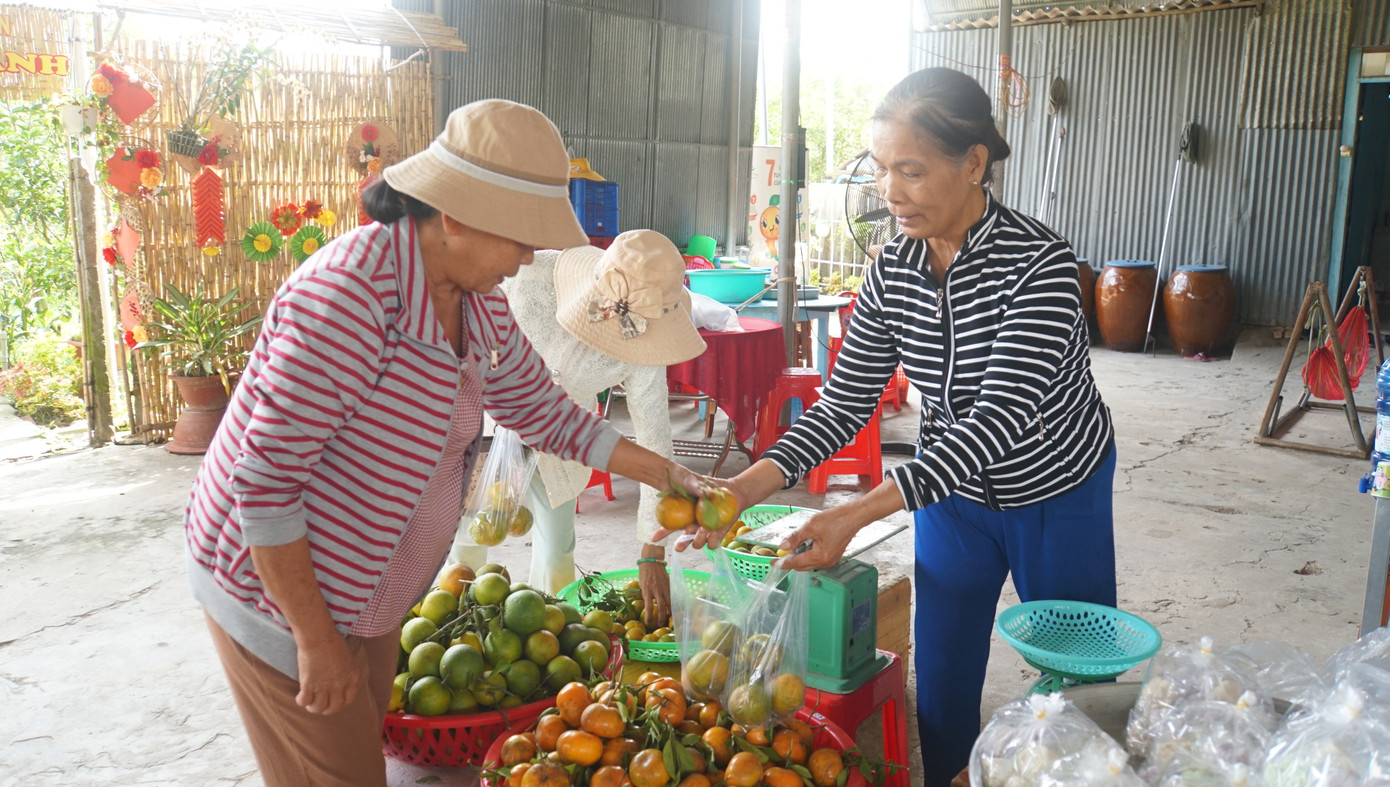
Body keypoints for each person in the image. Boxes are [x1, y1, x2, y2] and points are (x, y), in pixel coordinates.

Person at [183, 99, 709, 786]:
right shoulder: (348, 298)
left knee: (361, 745)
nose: (527, 259)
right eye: (520, 237)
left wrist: (661, 471)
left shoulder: (475, 293)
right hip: (281, 596)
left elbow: (538, 408)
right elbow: (266, 485)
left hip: (370, 590)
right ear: (455, 214)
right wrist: (314, 639)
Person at [709, 68, 1117, 785]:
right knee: (945, 676)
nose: (890, 191)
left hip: (1054, 489)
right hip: (948, 498)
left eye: (912, 170)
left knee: (1075, 681)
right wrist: (742, 487)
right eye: (882, 170)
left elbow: (995, 423)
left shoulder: (1041, 266)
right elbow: (842, 404)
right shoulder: (893, 267)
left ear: (974, 164)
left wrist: (857, 515)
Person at [450, 229, 706, 628]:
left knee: (556, 558)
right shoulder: (531, 278)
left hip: (567, 441)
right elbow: (466, 339)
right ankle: (449, 635)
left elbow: (655, 439)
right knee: (466, 547)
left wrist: (651, 551)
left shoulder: (645, 339)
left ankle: (542, 649)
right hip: (485, 426)